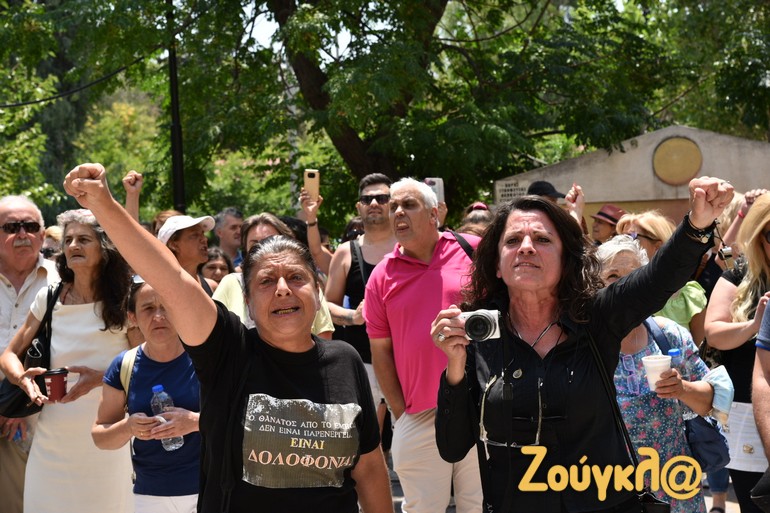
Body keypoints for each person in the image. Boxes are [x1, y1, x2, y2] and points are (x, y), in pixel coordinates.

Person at [63, 162, 392, 513]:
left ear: (317, 290)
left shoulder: (345, 360)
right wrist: (104, 203)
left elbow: (369, 469)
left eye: (296, 278)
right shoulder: (227, 352)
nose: (283, 289)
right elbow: (169, 277)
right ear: (247, 301)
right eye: (266, 281)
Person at [431, 177, 733, 512]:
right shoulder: (481, 333)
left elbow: (657, 278)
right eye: (513, 240)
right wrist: (454, 364)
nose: (526, 247)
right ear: (497, 265)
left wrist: (697, 224)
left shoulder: (596, 318)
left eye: (542, 239)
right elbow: (452, 447)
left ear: (565, 261)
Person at [0, 208, 133, 513]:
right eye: (69, 239)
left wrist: (100, 378)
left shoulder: (127, 300)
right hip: (51, 443)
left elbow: (145, 364)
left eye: (84, 239)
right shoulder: (49, 297)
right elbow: (9, 355)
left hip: (107, 440)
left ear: (105, 247)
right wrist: (23, 380)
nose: (73, 245)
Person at [364, 177, 483, 513]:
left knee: (480, 506)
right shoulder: (381, 276)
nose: (398, 212)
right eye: (394, 207)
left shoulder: (473, 251)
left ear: (434, 215)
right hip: (419, 416)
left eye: (409, 204)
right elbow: (380, 352)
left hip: (479, 406)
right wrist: (402, 415)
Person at [598, 234, 713, 513]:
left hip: (675, 485)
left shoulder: (669, 335)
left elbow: (712, 403)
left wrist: (682, 389)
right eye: (613, 276)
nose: (625, 284)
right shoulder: (583, 343)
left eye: (634, 275)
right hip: (608, 487)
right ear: (595, 285)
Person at [93, 279, 201, 512]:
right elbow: (100, 436)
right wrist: (128, 427)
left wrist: (194, 422)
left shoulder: (205, 359)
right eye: (148, 308)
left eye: (166, 307)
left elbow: (240, 418)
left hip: (208, 489)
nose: (158, 316)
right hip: (150, 495)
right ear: (132, 317)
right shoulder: (124, 365)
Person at [705, 192, 770, 513]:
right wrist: (755, 324)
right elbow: (713, 333)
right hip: (749, 411)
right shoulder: (739, 275)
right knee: (755, 502)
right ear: (758, 238)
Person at [324, 173, 396, 446]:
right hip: (361, 361)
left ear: (393, 203)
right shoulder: (345, 252)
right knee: (360, 443)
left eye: (382, 198)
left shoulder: (410, 247)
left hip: (406, 359)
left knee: (409, 437)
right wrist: (352, 316)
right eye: (367, 199)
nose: (374, 203)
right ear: (359, 207)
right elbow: (326, 305)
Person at [0, 195, 59, 513]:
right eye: (11, 227)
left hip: (48, 417)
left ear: (42, 233)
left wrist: (17, 405)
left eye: (31, 226)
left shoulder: (64, 281)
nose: (22, 234)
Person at [213, 213, 334, 338]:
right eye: (254, 245)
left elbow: (324, 336)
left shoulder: (306, 285)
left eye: (270, 241)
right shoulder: (230, 283)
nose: (263, 250)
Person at [617, 210, 708, 345]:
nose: (622, 243)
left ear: (658, 246)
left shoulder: (688, 296)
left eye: (632, 237)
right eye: (620, 237)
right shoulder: (617, 290)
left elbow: (700, 349)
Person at [157, 214, 218, 296]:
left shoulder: (212, 287)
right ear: (173, 245)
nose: (204, 239)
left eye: (203, 234)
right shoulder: (155, 290)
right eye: (195, 235)